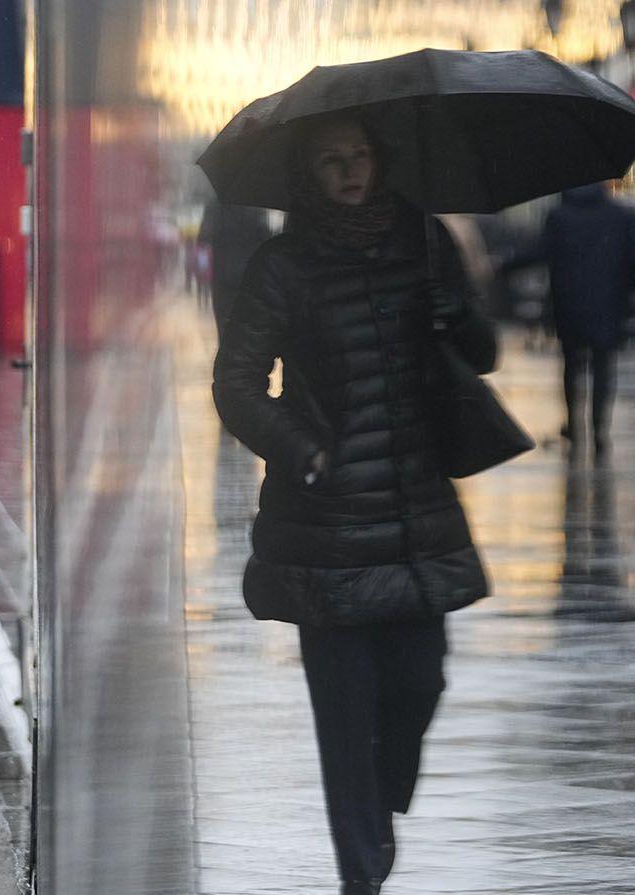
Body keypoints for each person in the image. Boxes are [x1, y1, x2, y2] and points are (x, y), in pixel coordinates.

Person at [212, 116, 494, 895]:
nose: (349, 171)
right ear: (309, 172)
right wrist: (299, 446)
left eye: (361, 154)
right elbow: (235, 383)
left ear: (381, 159)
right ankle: (362, 875)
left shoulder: (424, 244)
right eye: (332, 160)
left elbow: (484, 352)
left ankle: (379, 802)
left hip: (416, 513)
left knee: (422, 681)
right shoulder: (283, 265)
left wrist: (456, 308)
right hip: (325, 525)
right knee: (344, 720)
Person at [503, 183, 635, 453]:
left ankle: (574, 425)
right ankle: (599, 428)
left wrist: (504, 265)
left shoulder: (559, 217)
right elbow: (633, 259)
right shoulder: (619, 216)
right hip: (607, 304)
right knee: (603, 368)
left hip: (569, 303)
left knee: (571, 366)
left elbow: (539, 251)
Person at [198, 199, 277, 333]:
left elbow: (203, 237)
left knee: (224, 320)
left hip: (222, 274)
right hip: (249, 274)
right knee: (247, 320)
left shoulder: (214, 207)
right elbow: (266, 237)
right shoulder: (256, 207)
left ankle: (225, 349)